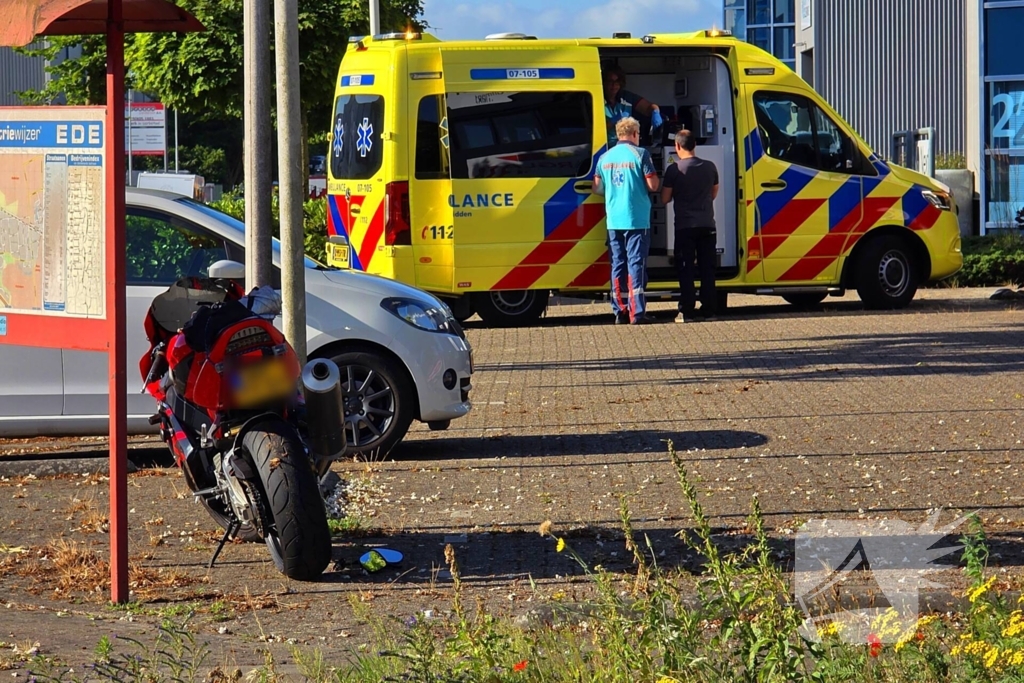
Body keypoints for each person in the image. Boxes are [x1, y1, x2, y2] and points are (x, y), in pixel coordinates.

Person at [594, 117, 660, 325]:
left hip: (614, 219)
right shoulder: (641, 154)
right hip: (636, 219)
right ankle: (637, 312)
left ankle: (619, 310)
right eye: (638, 134)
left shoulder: (605, 157)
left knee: (617, 264)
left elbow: (597, 188)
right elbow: (653, 185)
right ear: (633, 134)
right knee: (636, 263)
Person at [660, 129, 720, 323]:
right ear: (695, 145)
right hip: (707, 225)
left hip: (685, 226)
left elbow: (665, 198)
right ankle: (709, 310)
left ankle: (687, 311)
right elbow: (713, 193)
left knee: (686, 269)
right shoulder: (710, 167)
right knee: (707, 269)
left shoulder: (674, 170)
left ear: (677, 146)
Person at [602, 64, 662, 147]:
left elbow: (649, 107)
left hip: (627, 145)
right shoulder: (597, 99)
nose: (614, 85)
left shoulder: (627, 97)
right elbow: (596, 130)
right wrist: (612, 121)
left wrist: (655, 112)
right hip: (605, 147)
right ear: (604, 82)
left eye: (617, 82)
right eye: (610, 81)